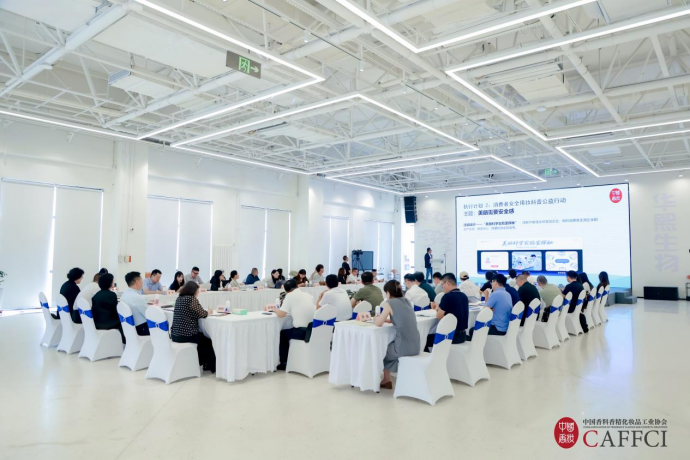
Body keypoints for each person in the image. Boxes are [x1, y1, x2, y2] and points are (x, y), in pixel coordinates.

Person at [375, 280, 420, 389]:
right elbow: (403, 318)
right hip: (416, 345)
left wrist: (375, 318)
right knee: (390, 348)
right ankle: (389, 378)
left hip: (403, 347)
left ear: (388, 293)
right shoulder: (407, 301)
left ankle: (386, 379)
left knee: (383, 350)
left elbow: (379, 323)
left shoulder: (390, 303)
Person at [171, 281, 216, 373]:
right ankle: (210, 365)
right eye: (197, 291)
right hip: (186, 335)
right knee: (207, 341)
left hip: (175, 334)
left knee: (202, 339)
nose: (198, 293)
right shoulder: (191, 299)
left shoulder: (179, 298)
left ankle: (202, 362)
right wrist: (209, 312)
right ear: (193, 290)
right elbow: (203, 314)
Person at [275, 279, 316, 370]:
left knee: (282, 334)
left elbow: (281, 314)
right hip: (313, 329)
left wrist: (275, 310)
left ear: (286, 291)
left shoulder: (289, 296)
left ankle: (284, 362)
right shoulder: (307, 295)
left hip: (303, 332)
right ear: (297, 286)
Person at [426, 273, 468, 351]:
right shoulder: (463, 296)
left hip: (450, 335)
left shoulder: (447, 296)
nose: (442, 287)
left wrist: (437, 309)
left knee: (425, 339)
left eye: (442, 285)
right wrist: (439, 308)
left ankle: (434, 358)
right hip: (463, 335)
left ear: (447, 283)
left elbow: (439, 316)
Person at [469, 274, 512, 339]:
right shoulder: (507, 294)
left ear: (495, 282)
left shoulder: (496, 294)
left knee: (472, 331)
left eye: (491, 282)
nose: (491, 284)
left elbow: (484, 311)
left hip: (497, 328)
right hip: (505, 327)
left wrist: (486, 295)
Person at [91, 273, 124, 343]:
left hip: (97, 322)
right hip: (107, 323)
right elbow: (115, 311)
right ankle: (124, 341)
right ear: (109, 283)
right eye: (113, 281)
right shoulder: (112, 295)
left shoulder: (96, 294)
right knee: (124, 322)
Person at [120, 272, 150, 336]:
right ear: (137, 282)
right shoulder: (137, 297)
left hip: (128, 328)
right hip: (141, 329)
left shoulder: (124, 295)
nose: (142, 282)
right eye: (141, 280)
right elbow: (148, 314)